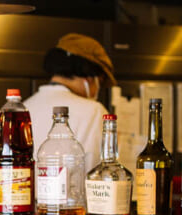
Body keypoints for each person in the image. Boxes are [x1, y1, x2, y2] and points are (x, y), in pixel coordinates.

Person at [24, 33, 116, 172]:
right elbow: (97, 172)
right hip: (74, 193)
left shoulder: (23, 108)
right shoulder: (94, 111)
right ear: (91, 77)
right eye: (101, 82)